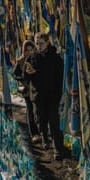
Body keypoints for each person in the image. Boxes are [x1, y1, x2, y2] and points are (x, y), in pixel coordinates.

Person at [25, 32, 66, 160]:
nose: (38, 46)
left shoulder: (55, 58)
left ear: (47, 42)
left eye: (41, 43)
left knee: (54, 123)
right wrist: (29, 73)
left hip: (52, 95)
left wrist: (61, 94)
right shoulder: (32, 58)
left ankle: (58, 149)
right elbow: (25, 76)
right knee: (41, 120)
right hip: (38, 96)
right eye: (37, 43)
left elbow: (61, 77)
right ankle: (44, 136)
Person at [12, 40, 40, 143]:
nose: (29, 52)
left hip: (36, 89)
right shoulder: (20, 61)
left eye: (31, 49)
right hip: (27, 90)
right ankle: (34, 133)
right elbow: (15, 74)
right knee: (30, 111)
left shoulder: (37, 59)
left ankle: (41, 130)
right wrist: (22, 79)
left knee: (38, 111)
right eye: (27, 50)